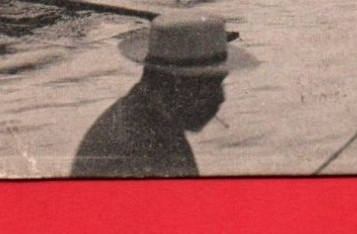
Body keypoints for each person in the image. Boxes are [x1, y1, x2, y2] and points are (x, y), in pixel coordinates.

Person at [71, 10, 256, 178]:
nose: (220, 97)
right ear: (173, 83)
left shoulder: (148, 121)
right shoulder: (144, 148)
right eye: (211, 84)